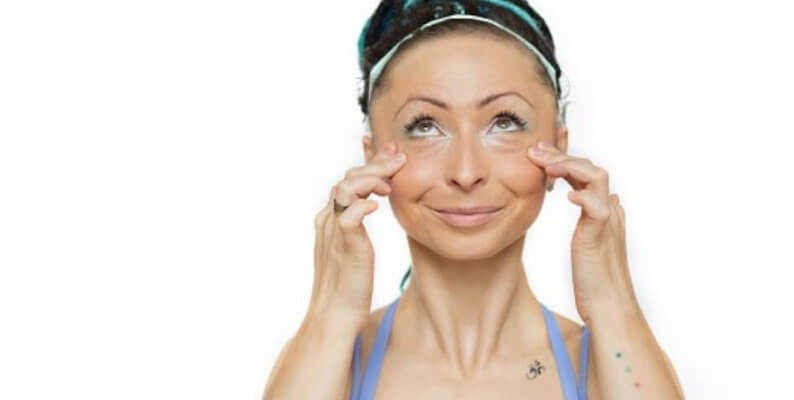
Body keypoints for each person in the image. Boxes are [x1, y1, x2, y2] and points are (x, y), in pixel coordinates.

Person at [263, 1, 684, 399]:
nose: (466, 172)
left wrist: (612, 303)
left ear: (559, 146)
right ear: (371, 156)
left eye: (504, 122)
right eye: (424, 126)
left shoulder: (606, 365)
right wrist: (331, 313)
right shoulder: (329, 364)